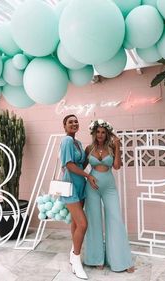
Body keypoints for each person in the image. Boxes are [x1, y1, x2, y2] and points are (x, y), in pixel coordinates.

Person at [83, 119, 135, 273]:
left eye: (103, 132)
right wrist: (87, 177)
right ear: (94, 133)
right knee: (94, 221)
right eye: (97, 132)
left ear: (107, 134)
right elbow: (82, 167)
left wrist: (118, 146)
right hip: (92, 187)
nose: (100, 134)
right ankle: (96, 258)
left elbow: (117, 166)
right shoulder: (88, 149)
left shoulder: (112, 147)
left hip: (109, 187)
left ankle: (122, 261)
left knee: (115, 219)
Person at [60, 114, 97, 280]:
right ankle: (76, 259)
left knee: (76, 222)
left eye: (76, 121)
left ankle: (72, 252)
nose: (74, 124)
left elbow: (81, 164)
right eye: (70, 122)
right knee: (83, 224)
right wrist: (88, 176)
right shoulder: (66, 141)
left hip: (80, 186)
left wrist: (89, 153)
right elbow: (69, 164)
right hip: (70, 187)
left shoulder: (79, 143)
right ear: (65, 126)